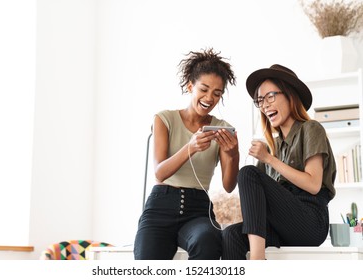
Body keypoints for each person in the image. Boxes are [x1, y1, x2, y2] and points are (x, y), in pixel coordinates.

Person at [222, 64, 336, 260]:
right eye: (260, 100)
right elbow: (253, 194)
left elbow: (313, 184)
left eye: (270, 96)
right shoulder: (273, 146)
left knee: (248, 172)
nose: (265, 105)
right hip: (281, 224)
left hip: (310, 221)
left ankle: (258, 263)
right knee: (230, 235)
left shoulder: (310, 129)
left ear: (290, 95)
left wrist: (269, 159)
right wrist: (232, 153)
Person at [134, 48, 239, 260]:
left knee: (208, 241)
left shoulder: (223, 128)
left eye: (217, 93)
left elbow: (229, 186)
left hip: (197, 210)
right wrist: (190, 147)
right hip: (160, 206)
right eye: (204, 89)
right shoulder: (164, 119)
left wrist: (233, 153)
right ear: (191, 86)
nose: (209, 98)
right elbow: (159, 173)